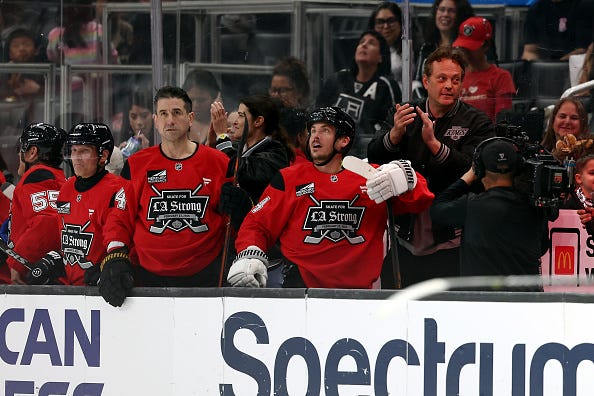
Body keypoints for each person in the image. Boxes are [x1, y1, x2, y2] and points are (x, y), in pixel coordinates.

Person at [226, 107, 434, 289]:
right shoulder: (289, 178)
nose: (315, 137)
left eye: (325, 130)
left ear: (344, 140)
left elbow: (421, 200)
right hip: (301, 291)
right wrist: (250, 251)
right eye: (312, 131)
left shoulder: (370, 175)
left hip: (361, 295)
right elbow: (257, 224)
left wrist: (407, 177)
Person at [367, 46, 495, 287]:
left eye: (455, 80)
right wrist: (394, 135)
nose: (449, 85)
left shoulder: (477, 121)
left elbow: (476, 171)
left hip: (451, 239)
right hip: (403, 237)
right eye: (442, 78)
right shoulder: (404, 112)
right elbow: (373, 156)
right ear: (426, 81)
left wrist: (435, 145)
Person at [97, 86, 231, 307]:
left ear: (190, 118)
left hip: (205, 278)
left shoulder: (218, 162)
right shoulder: (137, 164)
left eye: (177, 113)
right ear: (155, 120)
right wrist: (115, 253)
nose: (170, 120)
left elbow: (230, 218)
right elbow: (120, 216)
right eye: (164, 114)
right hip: (148, 278)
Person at [25, 123, 133, 286]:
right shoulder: (67, 188)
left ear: (103, 156)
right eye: (74, 150)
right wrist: (54, 258)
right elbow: (67, 238)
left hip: (103, 291)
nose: (76, 157)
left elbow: (119, 238)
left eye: (84, 151)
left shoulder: (118, 189)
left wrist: (109, 267)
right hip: (71, 292)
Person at [430, 138, 548, 286]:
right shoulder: (536, 205)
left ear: (479, 169)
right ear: (518, 167)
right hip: (524, 302)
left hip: (481, 303)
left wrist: (467, 178)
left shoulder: (471, 205)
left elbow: (437, 210)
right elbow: (542, 248)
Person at [316, 30, 401, 157]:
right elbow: (318, 112)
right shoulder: (338, 78)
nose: (364, 45)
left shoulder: (386, 85)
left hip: (366, 152)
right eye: (361, 42)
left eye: (371, 43)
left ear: (380, 57)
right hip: (331, 147)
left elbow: (392, 124)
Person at [6, 122, 67, 284]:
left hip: (41, 278)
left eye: (21, 149)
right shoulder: (59, 179)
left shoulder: (37, 177)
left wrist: (17, 264)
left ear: (32, 152)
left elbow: (48, 223)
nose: (19, 154)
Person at [210, 94, 294, 205]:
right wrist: (211, 143)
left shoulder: (275, 153)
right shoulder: (238, 147)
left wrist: (221, 136)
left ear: (258, 121)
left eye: (241, 115)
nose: (235, 122)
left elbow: (237, 170)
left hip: (261, 220)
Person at [452, 17, 515, 122]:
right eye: (462, 46)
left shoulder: (501, 77)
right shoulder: (456, 75)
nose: (465, 51)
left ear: (486, 46)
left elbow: (502, 120)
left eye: (470, 47)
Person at [414, 0, 474, 84]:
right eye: (442, 10)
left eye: (451, 11)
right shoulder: (427, 47)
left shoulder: (468, 47)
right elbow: (417, 81)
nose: (445, 14)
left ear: (461, 15)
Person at [521, 0, 591, 61]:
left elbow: (583, 50)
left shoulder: (585, 5)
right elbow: (530, 52)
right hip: (546, 69)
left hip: (578, 69)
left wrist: (554, 70)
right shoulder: (536, 8)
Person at [367, 1, 405, 84]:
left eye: (391, 21)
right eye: (380, 22)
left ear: (400, 23)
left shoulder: (412, 49)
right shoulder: (366, 49)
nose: (386, 26)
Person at [182, 68, 222, 145]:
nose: (195, 105)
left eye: (201, 100)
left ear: (214, 98)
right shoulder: (179, 125)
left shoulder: (223, 125)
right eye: (191, 99)